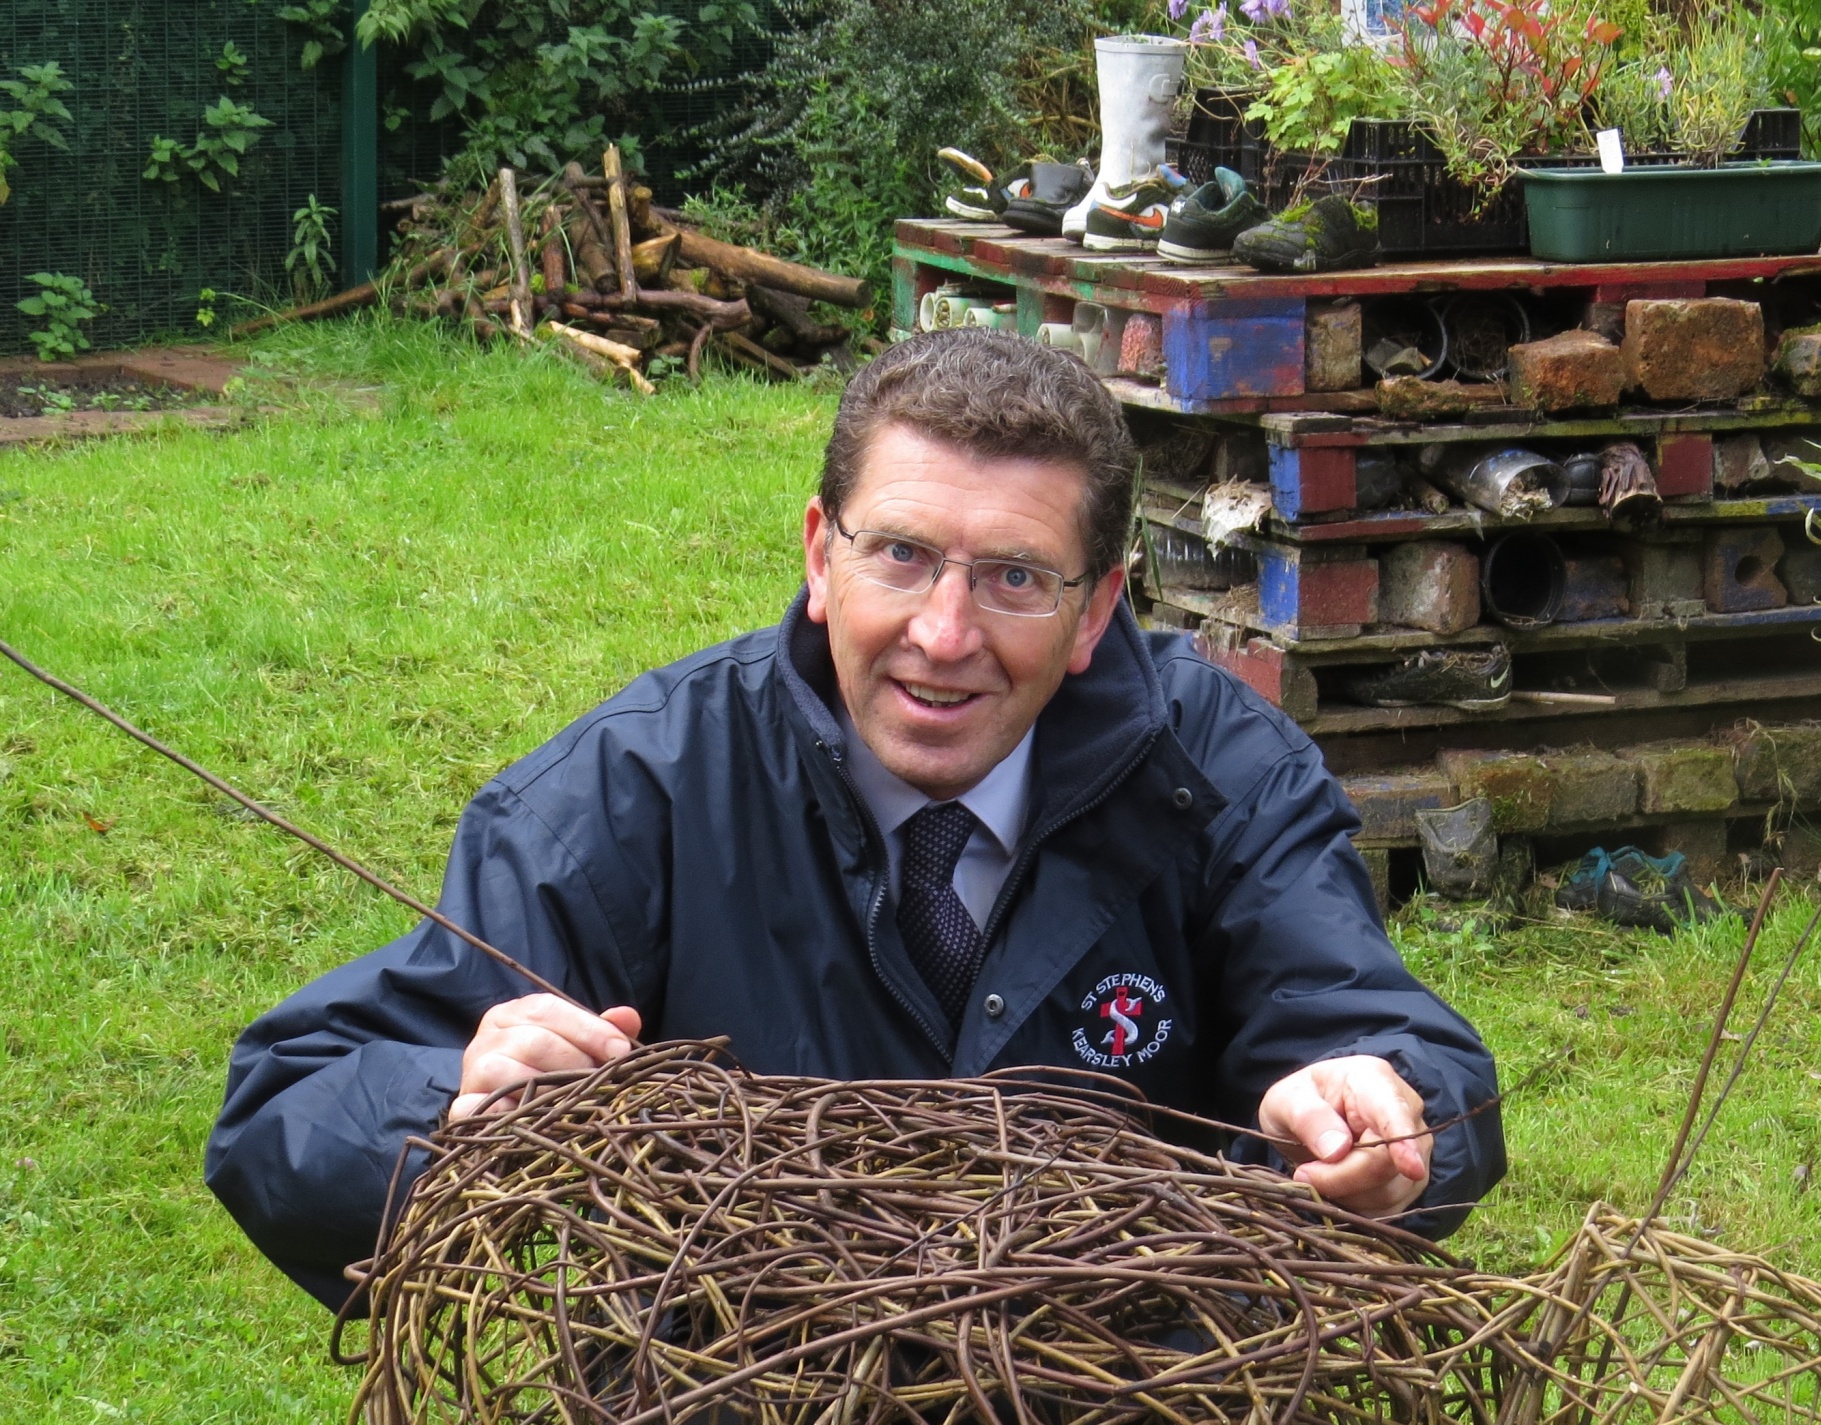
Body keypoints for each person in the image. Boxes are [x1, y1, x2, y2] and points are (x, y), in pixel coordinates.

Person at [205, 330, 1506, 1309]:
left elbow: (1395, 1049)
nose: (944, 637)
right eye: (901, 555)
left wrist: (1384, 1107)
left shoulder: (1219, 770)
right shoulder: (639, 787)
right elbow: (285, 1113)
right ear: (820, 554)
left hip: (1114, 1383)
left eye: (1013, 577)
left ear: (1097, 608)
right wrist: (454, 1110)